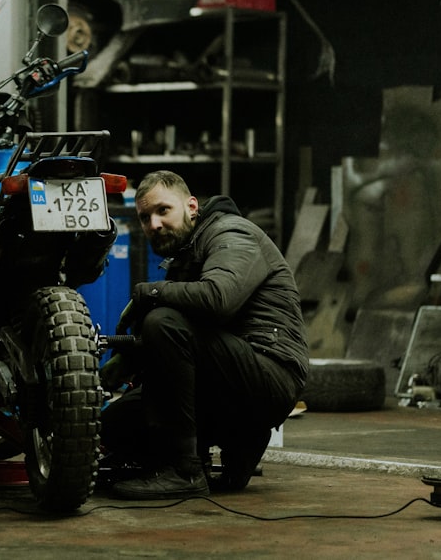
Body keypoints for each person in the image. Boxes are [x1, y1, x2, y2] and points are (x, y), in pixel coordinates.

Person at [99, 170, 309, 500]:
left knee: (162, 322)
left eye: (163, 210)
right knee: (117, 422)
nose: (153, 224)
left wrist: (147, 293)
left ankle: (185, 470)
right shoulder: (185, 254)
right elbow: (176, 353)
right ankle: (237, 440)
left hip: (269, 372)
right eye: (144, 217)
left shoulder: (232, 233)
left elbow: (218, 299)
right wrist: (122, 364)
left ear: (192, 206)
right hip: (226, 376)